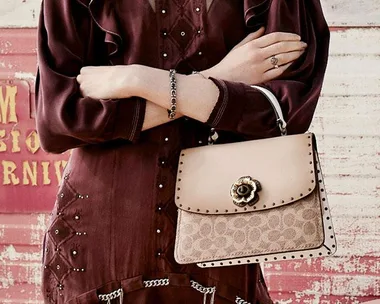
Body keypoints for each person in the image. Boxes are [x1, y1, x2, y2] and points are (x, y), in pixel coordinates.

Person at [35, 0, 330, 303]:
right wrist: (222, 75)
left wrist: (139, 80)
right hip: (100, 250)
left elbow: (285, 112)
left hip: (223, 238)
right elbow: (59, 123)